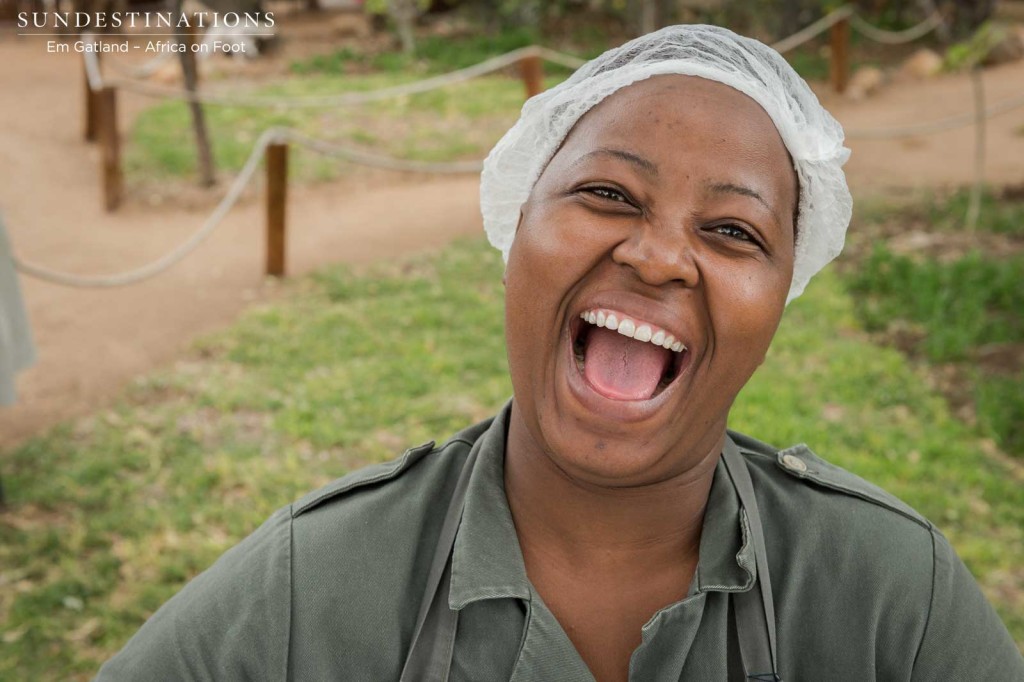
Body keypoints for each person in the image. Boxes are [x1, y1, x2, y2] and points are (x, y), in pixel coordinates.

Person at [96, 25, 1024, 681]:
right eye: (610, 195)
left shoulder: (893, 600)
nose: (659, 255)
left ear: (783, 297)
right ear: (515, 227)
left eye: (734, 231)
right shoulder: (312, 590)